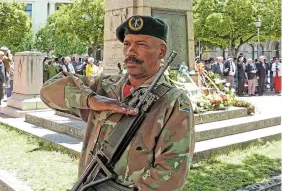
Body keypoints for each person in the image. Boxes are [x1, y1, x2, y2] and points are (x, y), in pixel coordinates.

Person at [40, 15, 195, 190]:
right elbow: (48, 91)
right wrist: (91, 99)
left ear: (161, 51)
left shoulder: (173, 102)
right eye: (127, 44)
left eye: (141, 44)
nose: (130, 51)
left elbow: (171, 172)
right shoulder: (104, 87)